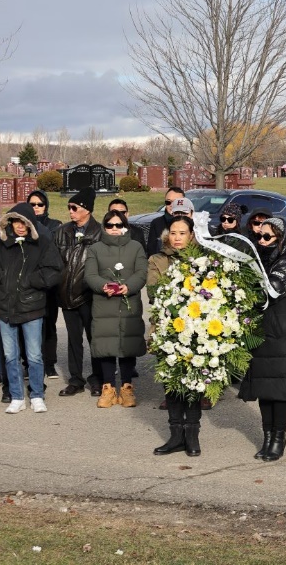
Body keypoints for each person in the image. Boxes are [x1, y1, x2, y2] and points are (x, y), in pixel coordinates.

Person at [239, 218, 286, 462]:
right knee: (264, 389)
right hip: (261, 332)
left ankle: (279, 438)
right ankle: (267, 436)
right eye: (260, 236)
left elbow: (271, 288)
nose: (262, 241)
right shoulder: (260, 260)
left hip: (281, 334)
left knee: (279, 390)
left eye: (268, 237)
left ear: (282, 239)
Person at [149, 217, 205, 456]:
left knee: (193, 384)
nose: (178, 237)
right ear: (167, 235)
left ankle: (192, 436)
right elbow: (154, 291)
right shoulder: (157, 259)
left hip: (198, 332)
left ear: (191, 235)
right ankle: (175, 436)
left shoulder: (204, 260)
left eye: (183, 232)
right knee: (171, 384)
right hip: (167, 329)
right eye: (173, 232)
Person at [0, 203, 63, 414]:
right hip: (5, 306)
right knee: (10, 355)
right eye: (15, 221)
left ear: (30, 224)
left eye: (23, 222)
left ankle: (37, 394)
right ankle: (17, 396)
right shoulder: (2, 243)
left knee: (34, 355)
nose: (19, 226)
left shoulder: (42, 242)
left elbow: (54, 269)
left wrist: (30, 281)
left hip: (32, 306)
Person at [84, 210, 148, 409]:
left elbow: (141, 272)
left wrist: (128, 286)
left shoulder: (136, 247)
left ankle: (127, 388)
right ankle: (108, 388)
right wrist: (103, 286)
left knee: (127, 345)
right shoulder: (95, 249)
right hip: (105, 302)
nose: (114, 229)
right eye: (110, 225)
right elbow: (90, 274)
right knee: (107, 346)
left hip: (129, 301)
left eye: (118, 225)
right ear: (104, 227)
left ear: (125, 227)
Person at [55, 187, 104, 398]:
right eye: (69, 207)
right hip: (67, 295)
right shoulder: (62, 231)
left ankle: (97, 379)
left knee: (95, 339)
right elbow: (55, 261)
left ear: (87, 210)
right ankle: (75, 380)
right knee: (73, 340)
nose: (70, 211)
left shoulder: (100, 233)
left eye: (74, 207)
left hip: (90, 296)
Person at [27, 189, 61, 380]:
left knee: (48, 325)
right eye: (32, 205)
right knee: (28, 327)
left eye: (40, 204)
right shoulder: (21, 225)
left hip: (48, 286)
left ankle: (49, 364)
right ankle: (29, 364)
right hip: (28, 285)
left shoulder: (54, 226)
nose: (37, 208)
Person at [146, 187, 185, 256]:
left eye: (176, 202)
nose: (171, 205)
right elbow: (151, 252)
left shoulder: (193, 224)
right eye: (168, 202)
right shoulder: (157, 223)